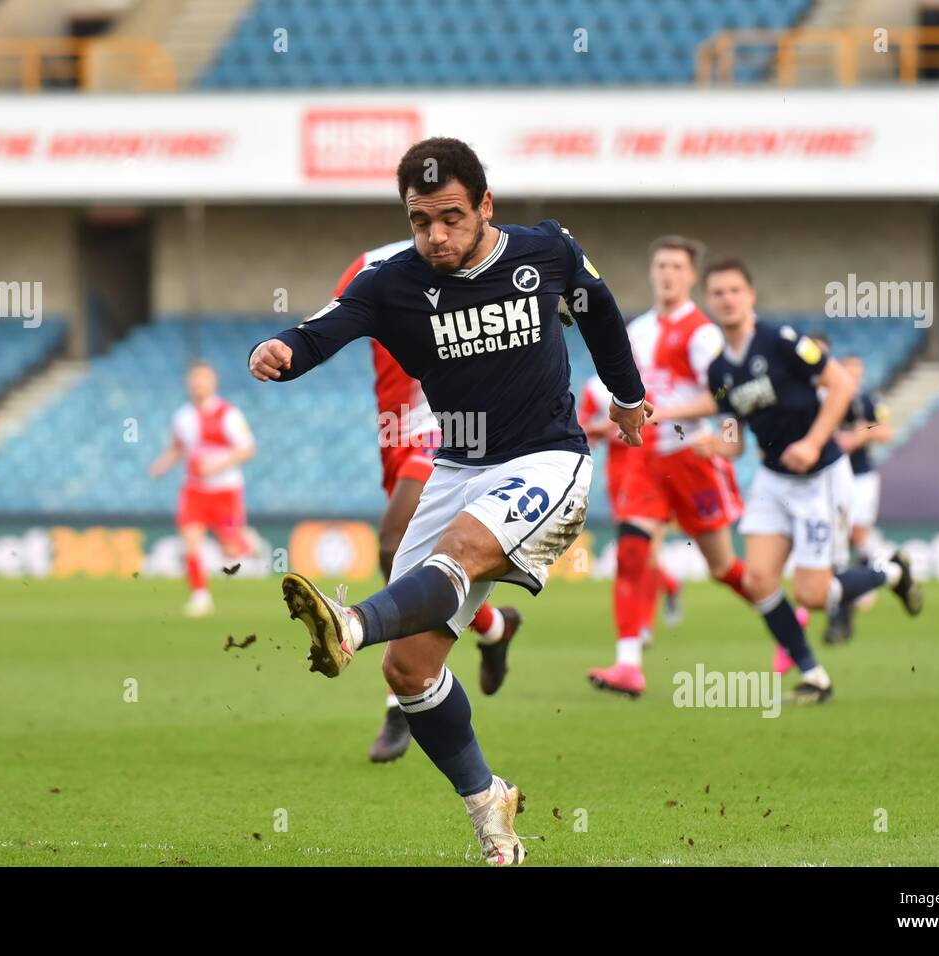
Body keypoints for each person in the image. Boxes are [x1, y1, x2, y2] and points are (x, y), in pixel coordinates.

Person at [249, 137, 648, 864]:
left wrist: (628, 396)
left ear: (485, 206)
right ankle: (488, 804)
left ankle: (350, 623)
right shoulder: (390, 282)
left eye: (452, 217)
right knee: (409, 673)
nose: (436, 234)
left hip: (547, 460)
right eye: (420, 219)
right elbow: (322, 330)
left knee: (459, 554)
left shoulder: (548, 251)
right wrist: (278, 351)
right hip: (458, 467)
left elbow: (600, 311)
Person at [664, 258, 922, 703]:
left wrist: (813, 441)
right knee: (759, 581)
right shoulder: (720, 372)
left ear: (751, 297)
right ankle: (814, 676)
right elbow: (735, 438)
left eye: (734, 291)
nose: (727, 299)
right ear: (709, 301)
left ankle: (891, 571)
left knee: (814, 595)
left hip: (820, 476)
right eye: (718, 293)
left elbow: (840, 385)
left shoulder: (781, 342)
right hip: (772, 479)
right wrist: (711, 445)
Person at [331, 243, 522, 764]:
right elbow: (333, 325)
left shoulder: (487, 257)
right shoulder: (370, 265)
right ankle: (495, 627)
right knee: (415, 557)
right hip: (396, 432)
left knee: (395, 545)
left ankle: (399, 701)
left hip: (451, 425)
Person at [586, 236, 750, 698]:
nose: (667, 273)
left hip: (691, 457)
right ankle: (628, 664)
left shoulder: (703, 333)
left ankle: (779, 610)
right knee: (633, 549)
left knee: (722, 567)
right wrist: (604, 422)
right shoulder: (636, 330)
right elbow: (617, 392)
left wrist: (664, 413)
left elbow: (722, 395)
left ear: (691, 276)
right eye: (660, 265)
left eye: (677, 266)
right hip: (645, 459)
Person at [149, 362, 256, 617]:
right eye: (195, 379)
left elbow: (247, 449)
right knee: (190, 542)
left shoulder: (230, 415)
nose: (198, 385)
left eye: (203, 379)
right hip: (194, 490)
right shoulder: (182, 417)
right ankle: (200, 595)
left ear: (213, 383)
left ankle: (247, 544)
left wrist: (218, 465)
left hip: (225, 491)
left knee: (230, 547)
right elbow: (178, 447)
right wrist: (162, 465)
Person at [824, 350, 893, 643]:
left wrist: (861, 435)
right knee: (838, 537)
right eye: (848, 371)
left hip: (861, 477)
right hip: (832, 477)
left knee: (856, 533)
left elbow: (885, 430)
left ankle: (879, 573)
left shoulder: (868, 402)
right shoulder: (828, 399)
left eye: (857, 372)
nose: (854, 377)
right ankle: (849, 594)